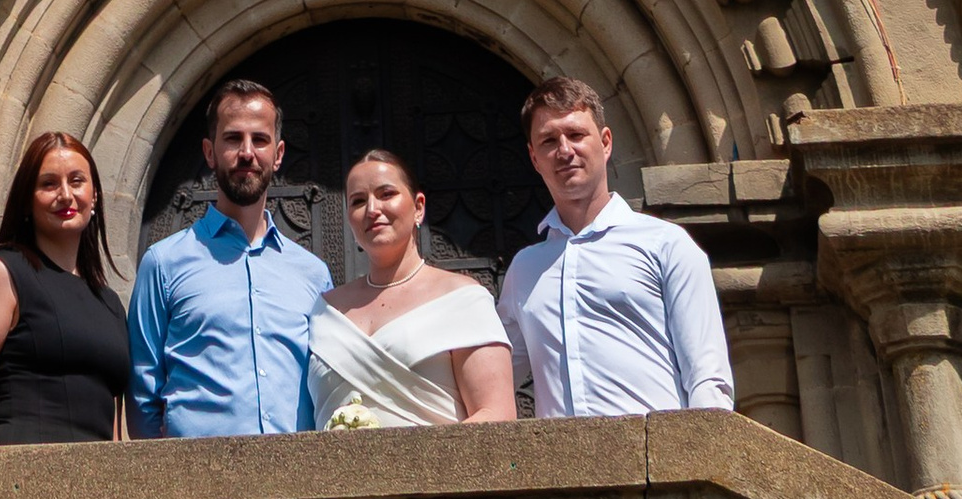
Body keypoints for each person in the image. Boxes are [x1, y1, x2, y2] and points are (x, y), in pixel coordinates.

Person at [497, 74, 735, 419]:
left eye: (576, 135)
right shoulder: (525, 269)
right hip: (563, 468)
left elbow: (707, 375)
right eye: (549, 141)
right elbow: (495, 379)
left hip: (658, 464)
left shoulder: (666, 244)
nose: (564, 151)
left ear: (605, 142)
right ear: (534, 158)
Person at [126, 77, 330, 436]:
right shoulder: (163, 263)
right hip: (199, 481)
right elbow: (143, 397)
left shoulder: (313, 274)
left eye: (260, 139)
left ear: (279, 154)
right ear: (209, 152)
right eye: (233, 138)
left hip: (298, 481)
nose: (247, 152)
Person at [0, 128, 130, 447]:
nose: (65, 195)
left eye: (77, 181)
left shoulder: (110, 305)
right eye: (49, 184)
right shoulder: (6, 273)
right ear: (28, 201)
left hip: (98, 485)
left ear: (94, 195)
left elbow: (112, 427)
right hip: (22, 479)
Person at [308, 146, 517, 430]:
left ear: (418, 207)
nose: (372, 209)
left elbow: (496, 415)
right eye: (358, 201)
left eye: (386, 194)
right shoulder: (325, 310)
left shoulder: (463, 301)